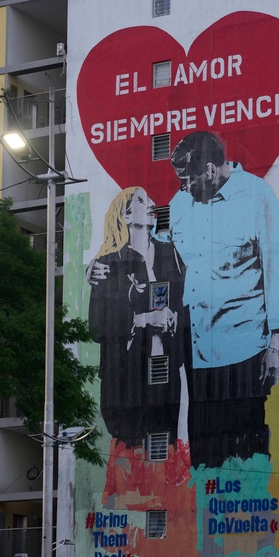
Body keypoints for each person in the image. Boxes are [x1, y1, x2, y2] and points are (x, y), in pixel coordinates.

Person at [160, 131, 279, 468]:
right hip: (198, 347)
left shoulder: (257, 196)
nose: (183, 187)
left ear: (208, 170)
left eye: (187, 179)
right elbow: (158, 246)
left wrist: (277, 342)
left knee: (246, 444)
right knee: (203, 448)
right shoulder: (181, 203)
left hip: (245, 345)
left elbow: (278, 268)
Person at [88, 187, 188, 449]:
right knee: (130, 449)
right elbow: (97, 326)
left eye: (150, 197)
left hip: (166, 372)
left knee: (164, 445)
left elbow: (186, 302)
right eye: (143, 200)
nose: (153, 202)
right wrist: (143, 319)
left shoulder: (170, 253)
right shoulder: (108, 263)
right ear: (127, 216)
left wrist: (173, 316)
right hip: (124, 374)